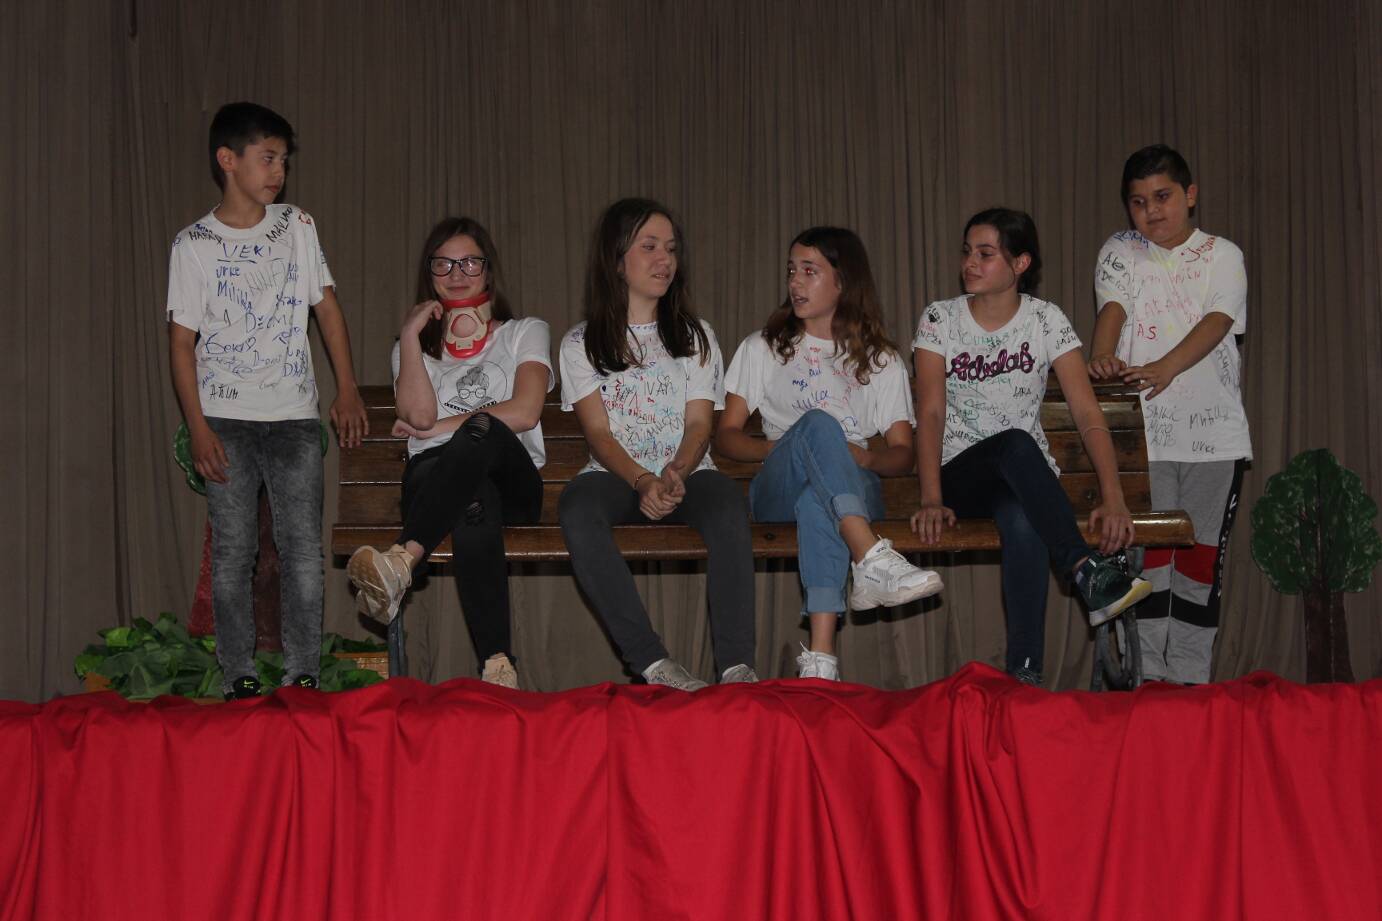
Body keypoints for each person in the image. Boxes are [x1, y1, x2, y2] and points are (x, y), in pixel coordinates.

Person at [166, 102, 368, 699]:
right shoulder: (193, 244)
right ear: (228, 160)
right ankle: (239, 673)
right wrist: (198, 427)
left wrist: (347, 387)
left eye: (283, 160)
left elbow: (326, 308)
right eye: (268, 158)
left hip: (293, 418)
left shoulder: (296, 225)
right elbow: (180, 343)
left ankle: (303, 670)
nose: (279, 171)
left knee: (302, 549)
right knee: (234, 552)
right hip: (226, 419)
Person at [911, 207, 1150, 686]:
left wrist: (1114, 497)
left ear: (1020, 263)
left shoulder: (1046, 320)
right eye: (967, 252)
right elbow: (931, 413)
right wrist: (932, 497)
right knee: (1017, 444)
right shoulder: (941, 318)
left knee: (1022, 519)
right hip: (961, 475)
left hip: (1022, 482)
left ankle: (1025, 674)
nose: (970, 263)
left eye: (985, 254)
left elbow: (1087, 415)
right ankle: (1084, 568)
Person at [717, 226, 940, 683]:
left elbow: (903, 454)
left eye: (810, 271)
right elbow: (727, 436)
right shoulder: (763, 347)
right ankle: (869, 557)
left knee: (817, 500)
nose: (795, 282)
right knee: (819, 424)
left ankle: (821, 661)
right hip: (778, 484)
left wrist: (867, 459)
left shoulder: (880, 359)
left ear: (843, 281)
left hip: (853, 484)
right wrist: (790, 447)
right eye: (791, 271)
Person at [557, 198, 756, 691]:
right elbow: (599, 434)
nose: (664, 259)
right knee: (577, 508)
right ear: (616, 258)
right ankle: (652, 662)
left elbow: (699, 422)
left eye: (670, 248)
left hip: (688, 473)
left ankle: (736, 666)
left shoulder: (696, 335)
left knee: (728, 504)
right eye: (649, 247)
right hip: (616, 477)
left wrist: (677, 471)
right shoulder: (581, 342)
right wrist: (643, 480)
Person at [347, 217, 551, 690]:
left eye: (469, 262)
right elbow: (416, 415)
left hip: (514, 479)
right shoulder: (410, 347)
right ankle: (498, 666)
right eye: (443, 264)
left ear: (488, 270)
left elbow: (523, 412)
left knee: (484, 428)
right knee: (472, 500)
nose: (457, 273)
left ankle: (404, 558)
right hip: (434, 478)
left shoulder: (525, 332)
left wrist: (442, 427)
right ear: (429, 273)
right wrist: (410, 336)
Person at [1088, 145, 1251, 685]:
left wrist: (1164, 367)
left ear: (1190, 195)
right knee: (1149, 558)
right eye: (1138, 202)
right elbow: (1113, 307)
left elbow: (1218, 321)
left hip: (1214, 437)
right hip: (1145, 439)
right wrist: (1103, 353)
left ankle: (1189, 675)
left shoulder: (1223, 255)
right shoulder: (1121, 249)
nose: (1151, 211)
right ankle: (1148, 676)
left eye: (1162, 197)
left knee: (1200, 560)